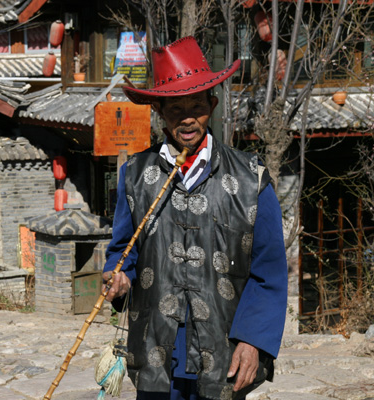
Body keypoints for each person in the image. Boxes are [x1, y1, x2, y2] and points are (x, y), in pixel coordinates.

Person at [102, 36, 288, 400]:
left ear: (212, 105)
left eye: (197, 106)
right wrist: (118, 275)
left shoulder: (251, 179)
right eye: (174, 109)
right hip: (156, 347)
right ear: (159, 112)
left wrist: (252, 340)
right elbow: (124, 249)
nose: (187, 118)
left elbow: (270, 271)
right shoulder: (136, 176)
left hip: (224, 344)